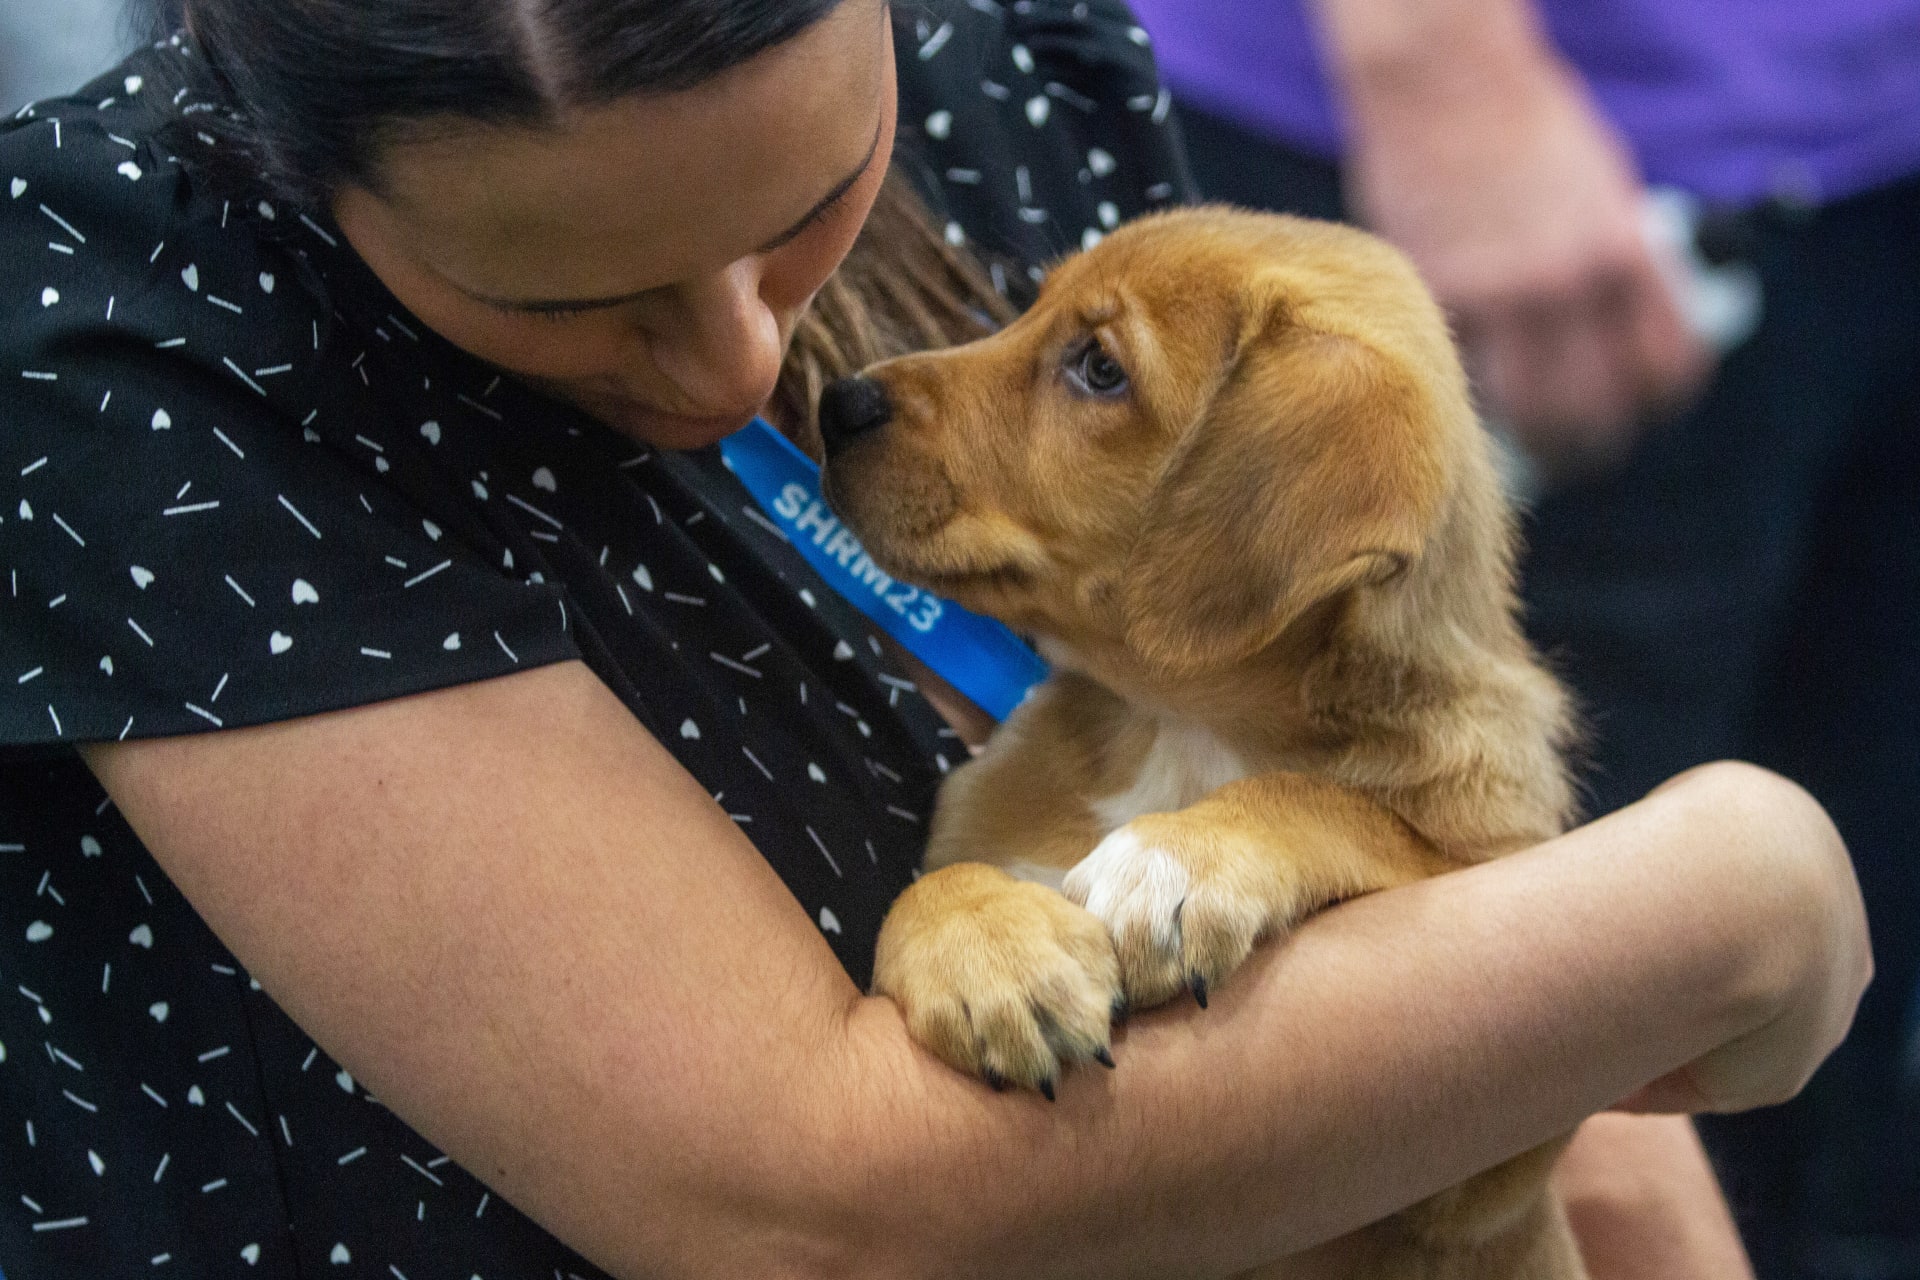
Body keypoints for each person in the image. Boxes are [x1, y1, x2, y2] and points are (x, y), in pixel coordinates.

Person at [0, 2, 1871, 1277]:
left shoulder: (1003, 52)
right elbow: (818, 1219)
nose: (755, 367)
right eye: (570, 297)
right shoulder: (132, 338)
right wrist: (1724, 894)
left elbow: (1477, 972)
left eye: (809, 212)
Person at [1125, 1, 1920, 1273]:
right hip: (1531, 181)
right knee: (1515, 1077)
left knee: (1832, 1108)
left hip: (1868, 154)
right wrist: (1431, 54)